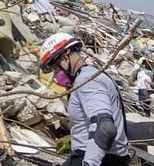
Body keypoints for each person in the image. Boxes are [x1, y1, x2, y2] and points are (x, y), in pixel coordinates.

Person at [40, 32, 130, 166]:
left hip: (102, 159)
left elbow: (105, 127)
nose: (55, 74)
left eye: (55, 67)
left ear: (65, 57)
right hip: (105, 157)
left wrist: (89, 163)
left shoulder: (87, 81)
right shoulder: (93, 75)